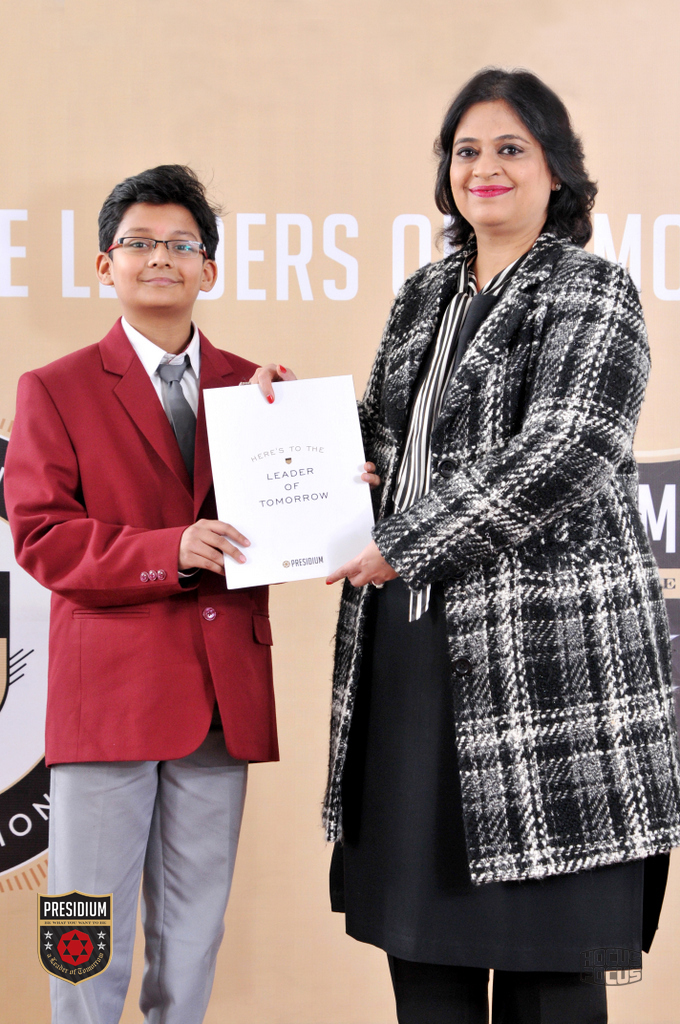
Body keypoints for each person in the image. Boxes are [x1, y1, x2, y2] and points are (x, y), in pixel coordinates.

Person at [320, 69, 680, 1024]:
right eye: (466, 150)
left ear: (556, 170)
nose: (485, 167)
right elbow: (384, 443)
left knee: (549, 978)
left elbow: (572, 445)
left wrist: (407, 541)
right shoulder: (422, 297)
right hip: (411, 664)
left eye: (511, 148)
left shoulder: (593, 288)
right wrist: (291, 430)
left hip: (546, 675)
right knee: (423, 965)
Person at [5, 165, 292, 1024]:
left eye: (181, 244)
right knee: (83, 929)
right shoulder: (54, 389)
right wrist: (171, 550)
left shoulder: (259, 390)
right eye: (138, 242)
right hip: (108, 704)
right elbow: (42, 537)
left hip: (219, 701)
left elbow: (285, 528)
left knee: (195, 930)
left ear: (211, 268)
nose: (160, 257)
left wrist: (319, 468)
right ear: (105, 264)